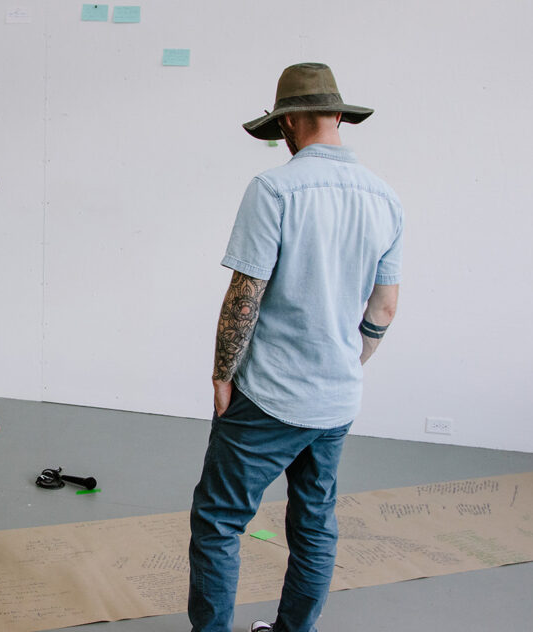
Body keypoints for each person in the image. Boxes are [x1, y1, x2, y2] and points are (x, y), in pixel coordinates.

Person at [188, 63, 403, 632]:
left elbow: (245, 296)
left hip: (269, 395)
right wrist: (347, 364)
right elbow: (383, 309)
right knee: (314, 525)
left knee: (218, 521)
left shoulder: (274, 189)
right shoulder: (385, 198)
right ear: (338, 116)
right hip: (336, 400)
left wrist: (221, 373)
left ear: (288, 124)